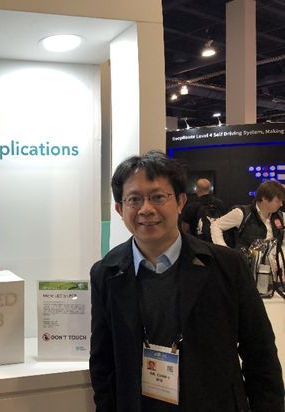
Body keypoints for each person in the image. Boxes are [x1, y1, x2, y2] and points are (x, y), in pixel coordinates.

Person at [89, 150, 284, 412]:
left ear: (180, 201)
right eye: (134, 199)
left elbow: (260, 355)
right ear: (120, 209)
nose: (146, 209)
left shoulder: (227, 266)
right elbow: (102, 363)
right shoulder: (106, 273)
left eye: (158, 197)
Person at [210, 179, 285, 250]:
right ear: (264, 198)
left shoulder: (281, 216)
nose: (281, 204)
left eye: (282, 201)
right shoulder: (242, 213)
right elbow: (216, 225)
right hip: (243, 258)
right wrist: (224, 248)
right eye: (277, 201)